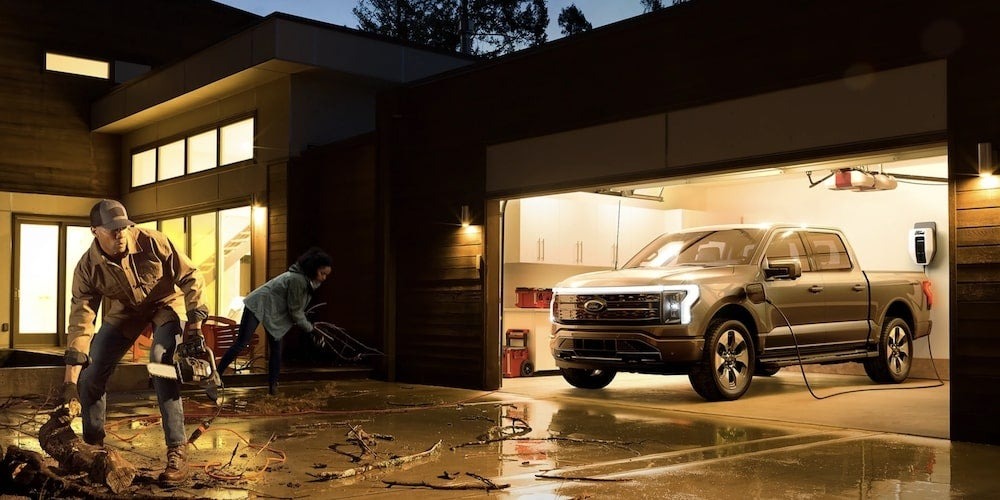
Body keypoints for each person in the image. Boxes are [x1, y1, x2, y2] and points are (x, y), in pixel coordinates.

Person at [62, 199, 213, 484]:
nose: (120, 234)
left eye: (123, 228)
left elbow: (191, 275)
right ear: (95, 231)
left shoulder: (154, 241)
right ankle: (94, 451)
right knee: (90, 375)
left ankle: (177, 450)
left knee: (160, 363)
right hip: (127, 311)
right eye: (111, 230)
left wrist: (195, 325)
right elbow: (81, 320)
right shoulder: (87, 268)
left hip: (167, 305)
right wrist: (70, 383)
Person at [216, 247, 333, 395]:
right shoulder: (297, 279)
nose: (323, 278)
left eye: (326, 275)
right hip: (257, 304)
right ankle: (216, 377)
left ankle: (273, 389)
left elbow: (296, 309)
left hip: (273, 312)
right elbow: (295, 311)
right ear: (312, 269)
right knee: (242, 342)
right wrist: (311, 330)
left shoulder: (306, 281)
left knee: (277, 349)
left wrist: (310, 328)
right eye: (322, 273)